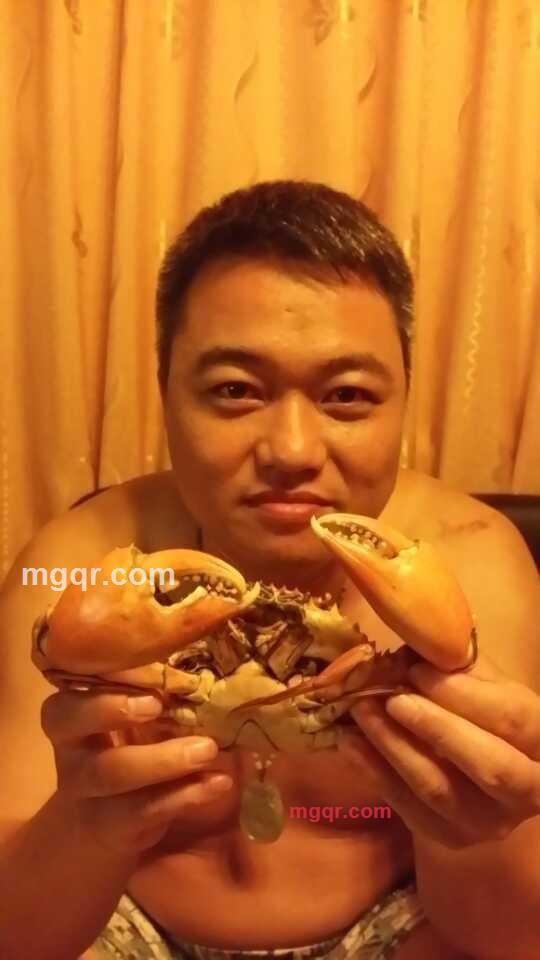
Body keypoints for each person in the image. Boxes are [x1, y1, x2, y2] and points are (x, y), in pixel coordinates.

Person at [1, 180, 540, 960]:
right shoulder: (74, 570)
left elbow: (511, 936)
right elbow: (15, 934)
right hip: (124, 923)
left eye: (347, 395)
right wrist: (85, 827)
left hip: (393, 927)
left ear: (403, 406)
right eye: (234, 391)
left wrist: (470, 830)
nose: (291, 450)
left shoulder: (473, 564)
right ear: (166, 397)